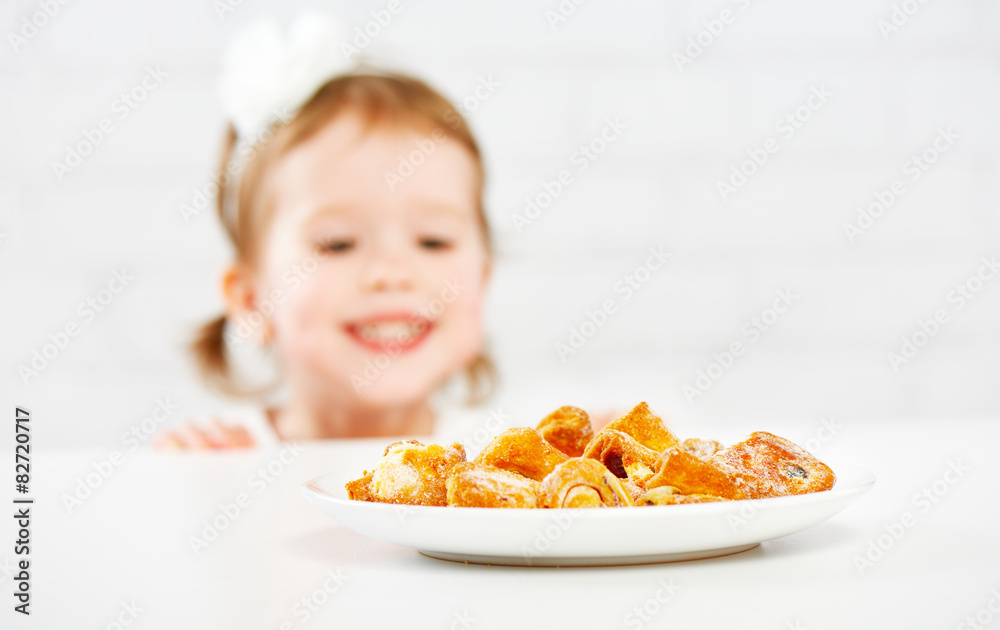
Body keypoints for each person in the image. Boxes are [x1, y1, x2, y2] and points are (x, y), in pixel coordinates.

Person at [155, 18, 494, 449]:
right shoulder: (226, 456)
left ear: (482, 279)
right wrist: (201, 490)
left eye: (433, 241)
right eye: (337, 243)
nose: (391, 273)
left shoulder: (506, 462)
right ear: (250, 298)